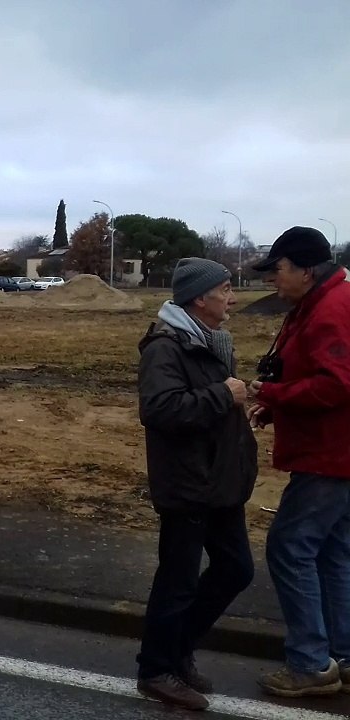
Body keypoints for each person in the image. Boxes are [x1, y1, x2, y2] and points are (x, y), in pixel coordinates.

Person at [134, 258, 257, 711]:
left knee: (236, 569)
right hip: (188, 483)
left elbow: (212, 404)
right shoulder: (165, 347)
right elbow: (161, 409)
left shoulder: (208, 342)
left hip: (218, 481)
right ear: (199, 298)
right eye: (226, 289)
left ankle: (177, 647)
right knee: (178, 580)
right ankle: (156, 669)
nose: (233, 297)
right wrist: (224, 394)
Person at [247, 227, 350, 698]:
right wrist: (279, 405)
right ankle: (342, 657)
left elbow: (335, 385)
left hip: (330, 454)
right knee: (333, 552)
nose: (274, 279)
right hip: (335, 452)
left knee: (290, 548)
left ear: (306, 270)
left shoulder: (331, 309)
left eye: (279, 269)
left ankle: (310, 662)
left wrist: (269, 393)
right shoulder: (322, 301)